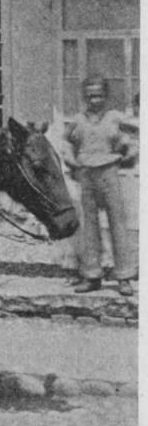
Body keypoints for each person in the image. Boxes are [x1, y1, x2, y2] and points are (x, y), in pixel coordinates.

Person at [62, 77, 138, 296]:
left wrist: (128, 154)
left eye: (99, 95)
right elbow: (66, 142)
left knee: (118, 224)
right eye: (90, 95)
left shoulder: (115, 118)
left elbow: (136, 136)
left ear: (106, 96)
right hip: (86, 173)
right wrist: (71, 160)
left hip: (109, 171)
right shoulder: (77, 120)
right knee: (89, 226)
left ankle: (124, 277)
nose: (94, 100)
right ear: (84, 97)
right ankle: (92, 275)